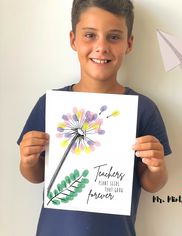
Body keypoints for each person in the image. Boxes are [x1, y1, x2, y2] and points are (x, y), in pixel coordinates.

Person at [17, 0, 171, 235]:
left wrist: (156, 166)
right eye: (90, 35)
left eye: (114, 37)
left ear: (128, 43)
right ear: (73, 40)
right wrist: (28, 160)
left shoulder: (143, 109)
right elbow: (36, 175)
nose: (101, 47)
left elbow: (152, 183)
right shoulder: (50, 104)